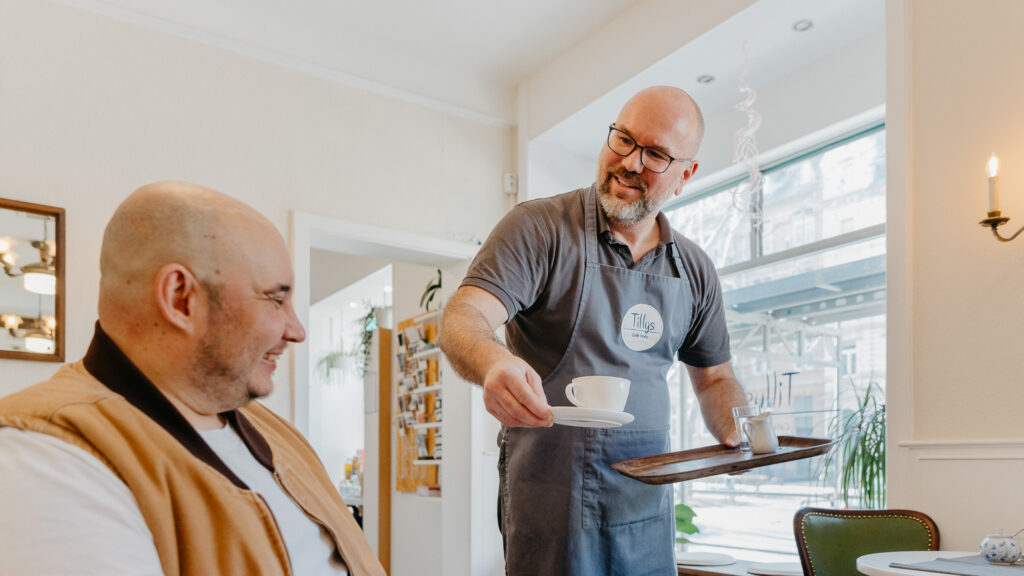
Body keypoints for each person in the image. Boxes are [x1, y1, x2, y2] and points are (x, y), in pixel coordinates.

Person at [0, 182, 385, 576]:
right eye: (275, 298)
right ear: (181, 297)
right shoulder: (44, 459)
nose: (296, 330)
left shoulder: (275, 433)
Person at [438, 86, 748, 575]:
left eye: (657, 155)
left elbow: (714, 379)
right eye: (623, 139)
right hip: (551, 496)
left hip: (644, 503)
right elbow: (462, 319)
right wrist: (494, 362)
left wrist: (740, 429)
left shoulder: (694, 269)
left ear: (686, 174)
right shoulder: (538, 229)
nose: (630, 161)